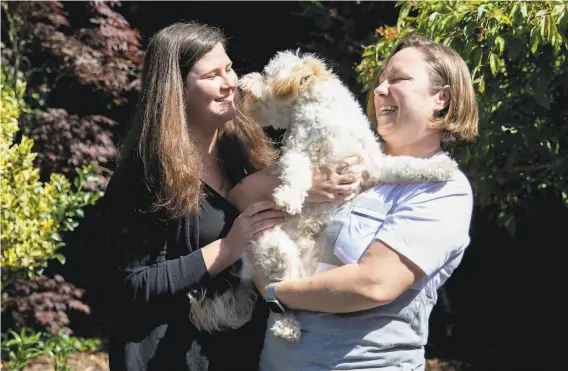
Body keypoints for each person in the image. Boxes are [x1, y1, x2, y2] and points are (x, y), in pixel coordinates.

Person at [102, 22, 363, 371]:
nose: (231, 82)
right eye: (213, 74)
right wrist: (228, 247)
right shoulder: (145, 176)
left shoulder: (248, 155)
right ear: (176, 89)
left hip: (248, 353)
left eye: (229, 68)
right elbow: (131, 286)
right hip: (171, 358)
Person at [247, 34, 479, 371]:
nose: (380, 89)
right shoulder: (346, 158)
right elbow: (241, 193)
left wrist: (274, 291)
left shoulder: (442, 188)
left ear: (441, 98)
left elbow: (373, 283)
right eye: (380, 80)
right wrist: (308, 185)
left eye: (397, 79)